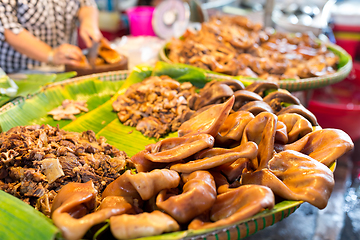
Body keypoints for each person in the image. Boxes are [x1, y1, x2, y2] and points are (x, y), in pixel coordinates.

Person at [0, 0, 102, 73]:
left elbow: (87, 3)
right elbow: (7, 26)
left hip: (68, 68)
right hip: (21, 73)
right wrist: (51, 54)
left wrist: (89, 22)